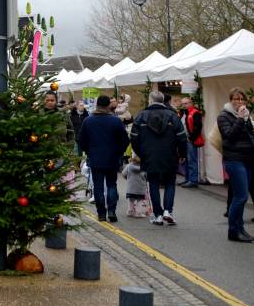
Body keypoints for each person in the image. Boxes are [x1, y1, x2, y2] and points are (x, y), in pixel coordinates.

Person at [131, 91, 187, 227]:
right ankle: (168, 211)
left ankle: (158, 215)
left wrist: (141, 153)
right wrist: (182, 154)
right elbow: (182, 137)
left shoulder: (141, 116)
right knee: (169, 183)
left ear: (150, 101)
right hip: (169, 154)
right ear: (163, 101)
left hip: (149, 156)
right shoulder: (173, 116)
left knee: (153, 184)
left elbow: (134, 138)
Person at [218, 88, 254, 242]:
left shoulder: (245, 115)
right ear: (231, 100)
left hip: (248, 159)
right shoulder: (223, 116)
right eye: (236, 99)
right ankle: (233, 230)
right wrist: (240, 119)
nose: (240, 102)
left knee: (243, 198)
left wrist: (246, 120)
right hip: (234, 159)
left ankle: (240, 229)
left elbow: (250, 135)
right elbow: (229, 136)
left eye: (242, 99)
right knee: (240, 196)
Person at [77, 95, 130, 222]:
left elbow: (80, 139)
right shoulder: (115, 121)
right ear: (108, 106)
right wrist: (118, 152)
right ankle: (111, 211)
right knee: (112, 185)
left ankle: (101, 213)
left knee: (98, 187)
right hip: (112, 158)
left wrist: (89, 151)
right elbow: (125, 140)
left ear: (97, 105)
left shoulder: (88, 121)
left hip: (95, 158)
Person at [179, 96, 205, 188]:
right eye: (183, 104)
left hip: (190, 140)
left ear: (191, 103)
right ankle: (187, 179)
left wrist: (191, 138)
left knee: (192, 160)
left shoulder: (195, 113)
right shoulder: (184, 113)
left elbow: (198, 127)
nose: (184, 105)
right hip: (184, 140)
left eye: (186, 103)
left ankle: (193, 180)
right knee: (186, 160)